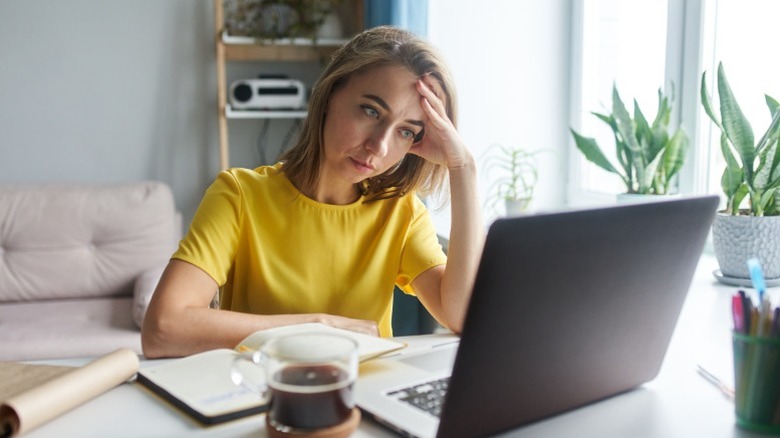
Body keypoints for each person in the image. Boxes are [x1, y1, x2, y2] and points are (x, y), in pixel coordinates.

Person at [141, 26, 484, 359]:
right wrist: (318, 326)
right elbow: (163, 328)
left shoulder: (402, 213)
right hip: (260, 397)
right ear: (330, 94)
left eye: (406, 132)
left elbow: (460, 317)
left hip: (364, 400)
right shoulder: (240, 195)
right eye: (371, 111)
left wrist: (463, 169)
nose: (378, 146)